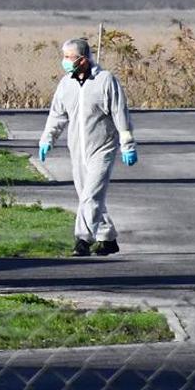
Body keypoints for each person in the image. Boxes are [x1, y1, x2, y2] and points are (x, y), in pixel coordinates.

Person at [38, 37, 137, 256]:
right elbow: (57, 115)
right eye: (64, 57)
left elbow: (120, 114)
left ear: (83, 59)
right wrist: (47, 139)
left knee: (91, 195)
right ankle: (107, 237)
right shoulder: (66, 85)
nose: (65, 61)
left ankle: (82, 239)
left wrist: (127, 143)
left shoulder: (105, 81)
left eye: (68, 57)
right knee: (86, 194)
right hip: (78, 149)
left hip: (103, 148)